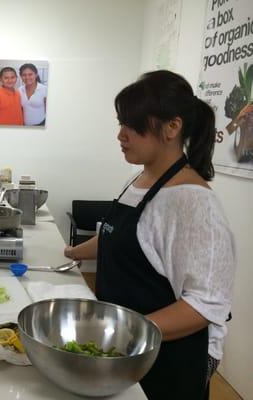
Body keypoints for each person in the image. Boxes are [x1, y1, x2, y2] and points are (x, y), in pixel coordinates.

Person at [64, 70, 235, 400]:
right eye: (121, 122)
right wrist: (71, 253)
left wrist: (123, 332)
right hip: (125, 352)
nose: (120, 135)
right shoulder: (139, 181)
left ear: (173, 127)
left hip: (164, 360)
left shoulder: (194, 202)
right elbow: (118, 237)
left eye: (133, 124)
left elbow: (204, 306)